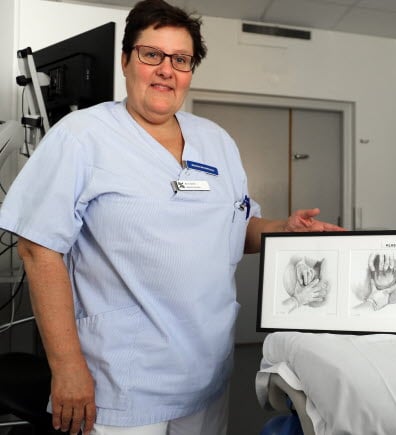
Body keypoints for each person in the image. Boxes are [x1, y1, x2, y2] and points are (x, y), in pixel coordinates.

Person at [0, 1, 342, 434]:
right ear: (126, 61)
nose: (166, 69)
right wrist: (67, 367)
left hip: (205, 371)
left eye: (181, 59)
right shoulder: (81, 137)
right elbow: (37, 249)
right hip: (121, 378)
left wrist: (281, 229)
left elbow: (237, 228)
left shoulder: (216, 141)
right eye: (152, 54)